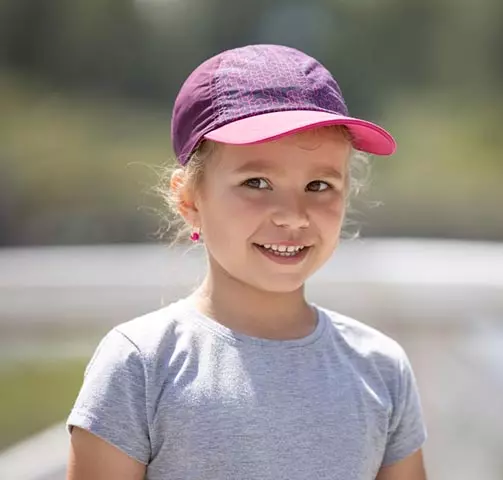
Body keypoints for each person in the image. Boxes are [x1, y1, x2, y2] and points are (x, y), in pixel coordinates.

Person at [66, 44, 428, 480]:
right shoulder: (141, 365)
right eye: (256, 182)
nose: (293, 214)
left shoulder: (381, 367)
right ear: (189, 198)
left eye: (319, 185)